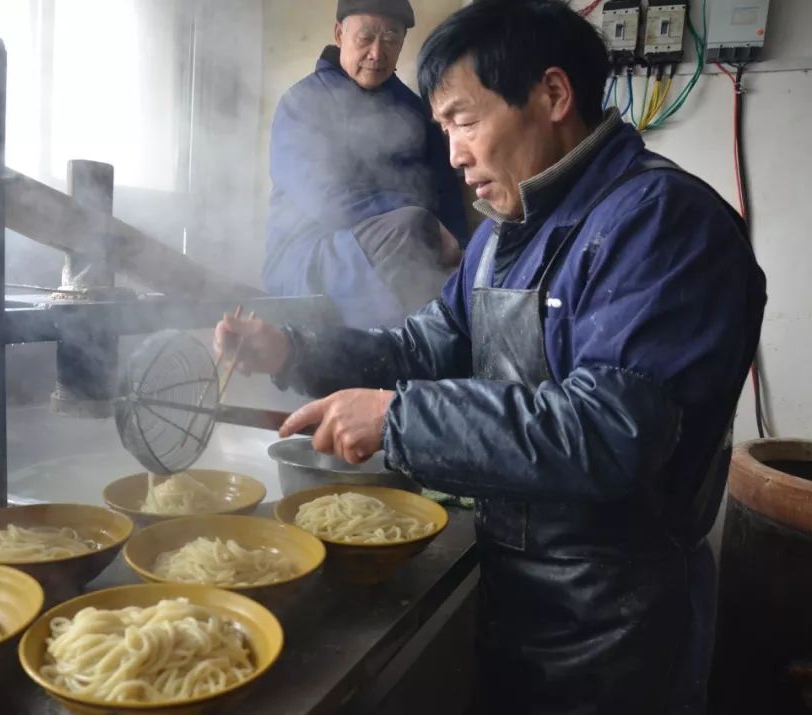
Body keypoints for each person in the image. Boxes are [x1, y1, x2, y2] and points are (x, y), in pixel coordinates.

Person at [219, 1, 767, 712]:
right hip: (517, 595)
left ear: (552, 95)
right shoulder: (503, 236)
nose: (453, 155)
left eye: (465, 121)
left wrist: (401, 419)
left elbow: (611, 430)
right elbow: (420, 349)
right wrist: (291, 349)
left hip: (618, 626)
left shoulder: (660, 222)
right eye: (443, 129)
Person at [263, 0, 468, 329]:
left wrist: (464, 251)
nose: (377, 52)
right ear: (339, 33)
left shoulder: (416, 110)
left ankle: (437, 351)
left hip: (410, 247)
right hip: (312, 256)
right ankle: (419, 347)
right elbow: (325, 198)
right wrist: (426, 224)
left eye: (390, 38)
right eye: (366, 37)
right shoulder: (303, 103)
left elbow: (446, 192)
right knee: (411, 228)